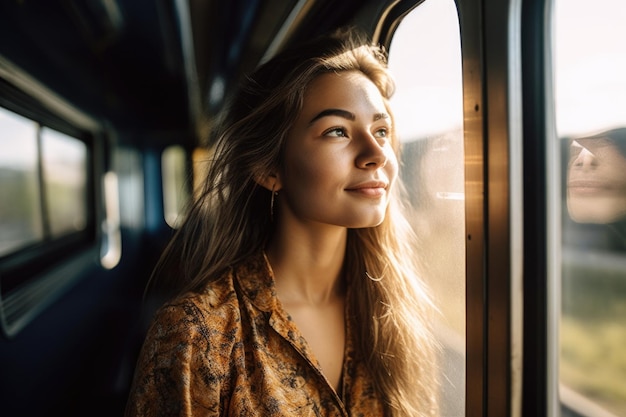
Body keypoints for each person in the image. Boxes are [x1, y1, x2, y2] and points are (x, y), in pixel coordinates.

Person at [124, 27, 439, 417]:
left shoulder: (393, 315)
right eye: (337, 131)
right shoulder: (197, 333)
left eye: (381, 130)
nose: (376, 154)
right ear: (268, 168)